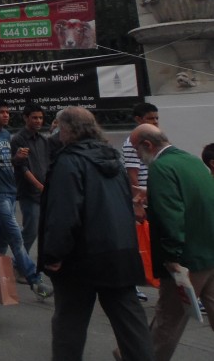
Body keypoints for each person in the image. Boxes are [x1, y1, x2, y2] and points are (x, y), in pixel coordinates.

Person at [40, 107, 154, 361]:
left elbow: (63, 214)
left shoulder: (69, 161)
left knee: (69, 325)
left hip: (81, 257)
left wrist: (53, 254)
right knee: (131, 325)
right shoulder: (112, 157)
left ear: (67, 129)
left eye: (59, 126)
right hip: (120, 253)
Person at [130, 125, 214, 360]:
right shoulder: (191, 160)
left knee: (168, 319)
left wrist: (171, 257)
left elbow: (171, 216)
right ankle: (129, 354)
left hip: (187, 257)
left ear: (147, 145)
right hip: (209, 249)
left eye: (137, 150)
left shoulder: (161, 167)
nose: (137, 156)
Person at [0, 101, 51, 298]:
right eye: (1, 112)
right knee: (16, 235)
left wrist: (17, 157)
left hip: (10, 189)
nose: (6, 115)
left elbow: (11, 163)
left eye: (7, 112)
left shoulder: (7, 135)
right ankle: (35, 280)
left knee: (2, 234)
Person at [10, 103, 50, 258]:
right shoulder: (19, 140)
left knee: (43, 230)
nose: (38, 121)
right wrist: (40, 186)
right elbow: (22, 168)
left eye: (40, 118)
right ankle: (19, 265)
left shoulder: (43, 140)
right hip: (29, 193)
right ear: (25, 118)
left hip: (45, 193)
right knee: (31, 230)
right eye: (34, 118)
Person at [122, 103, 159, 217]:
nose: (155, 121)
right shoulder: (132, 143)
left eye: (157, 118)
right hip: (145, 202)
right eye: (150, 118)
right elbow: (132, 176)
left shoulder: (155, 140)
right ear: (138, 119)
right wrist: (139, 204)